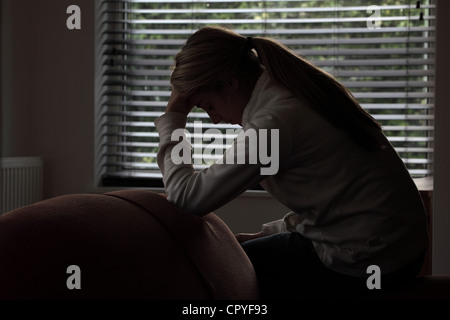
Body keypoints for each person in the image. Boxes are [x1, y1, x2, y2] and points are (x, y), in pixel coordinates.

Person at [154, 26, 429, 299]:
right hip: (398, 250)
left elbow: (186, 200)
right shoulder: (291, 93)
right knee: (240, 253)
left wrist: (174, 116)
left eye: (208, 106)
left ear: (229, 83)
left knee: (217, 270)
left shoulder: (274, 123)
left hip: (372, 261)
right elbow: (336, 196)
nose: (214, 119)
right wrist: (267, 234)